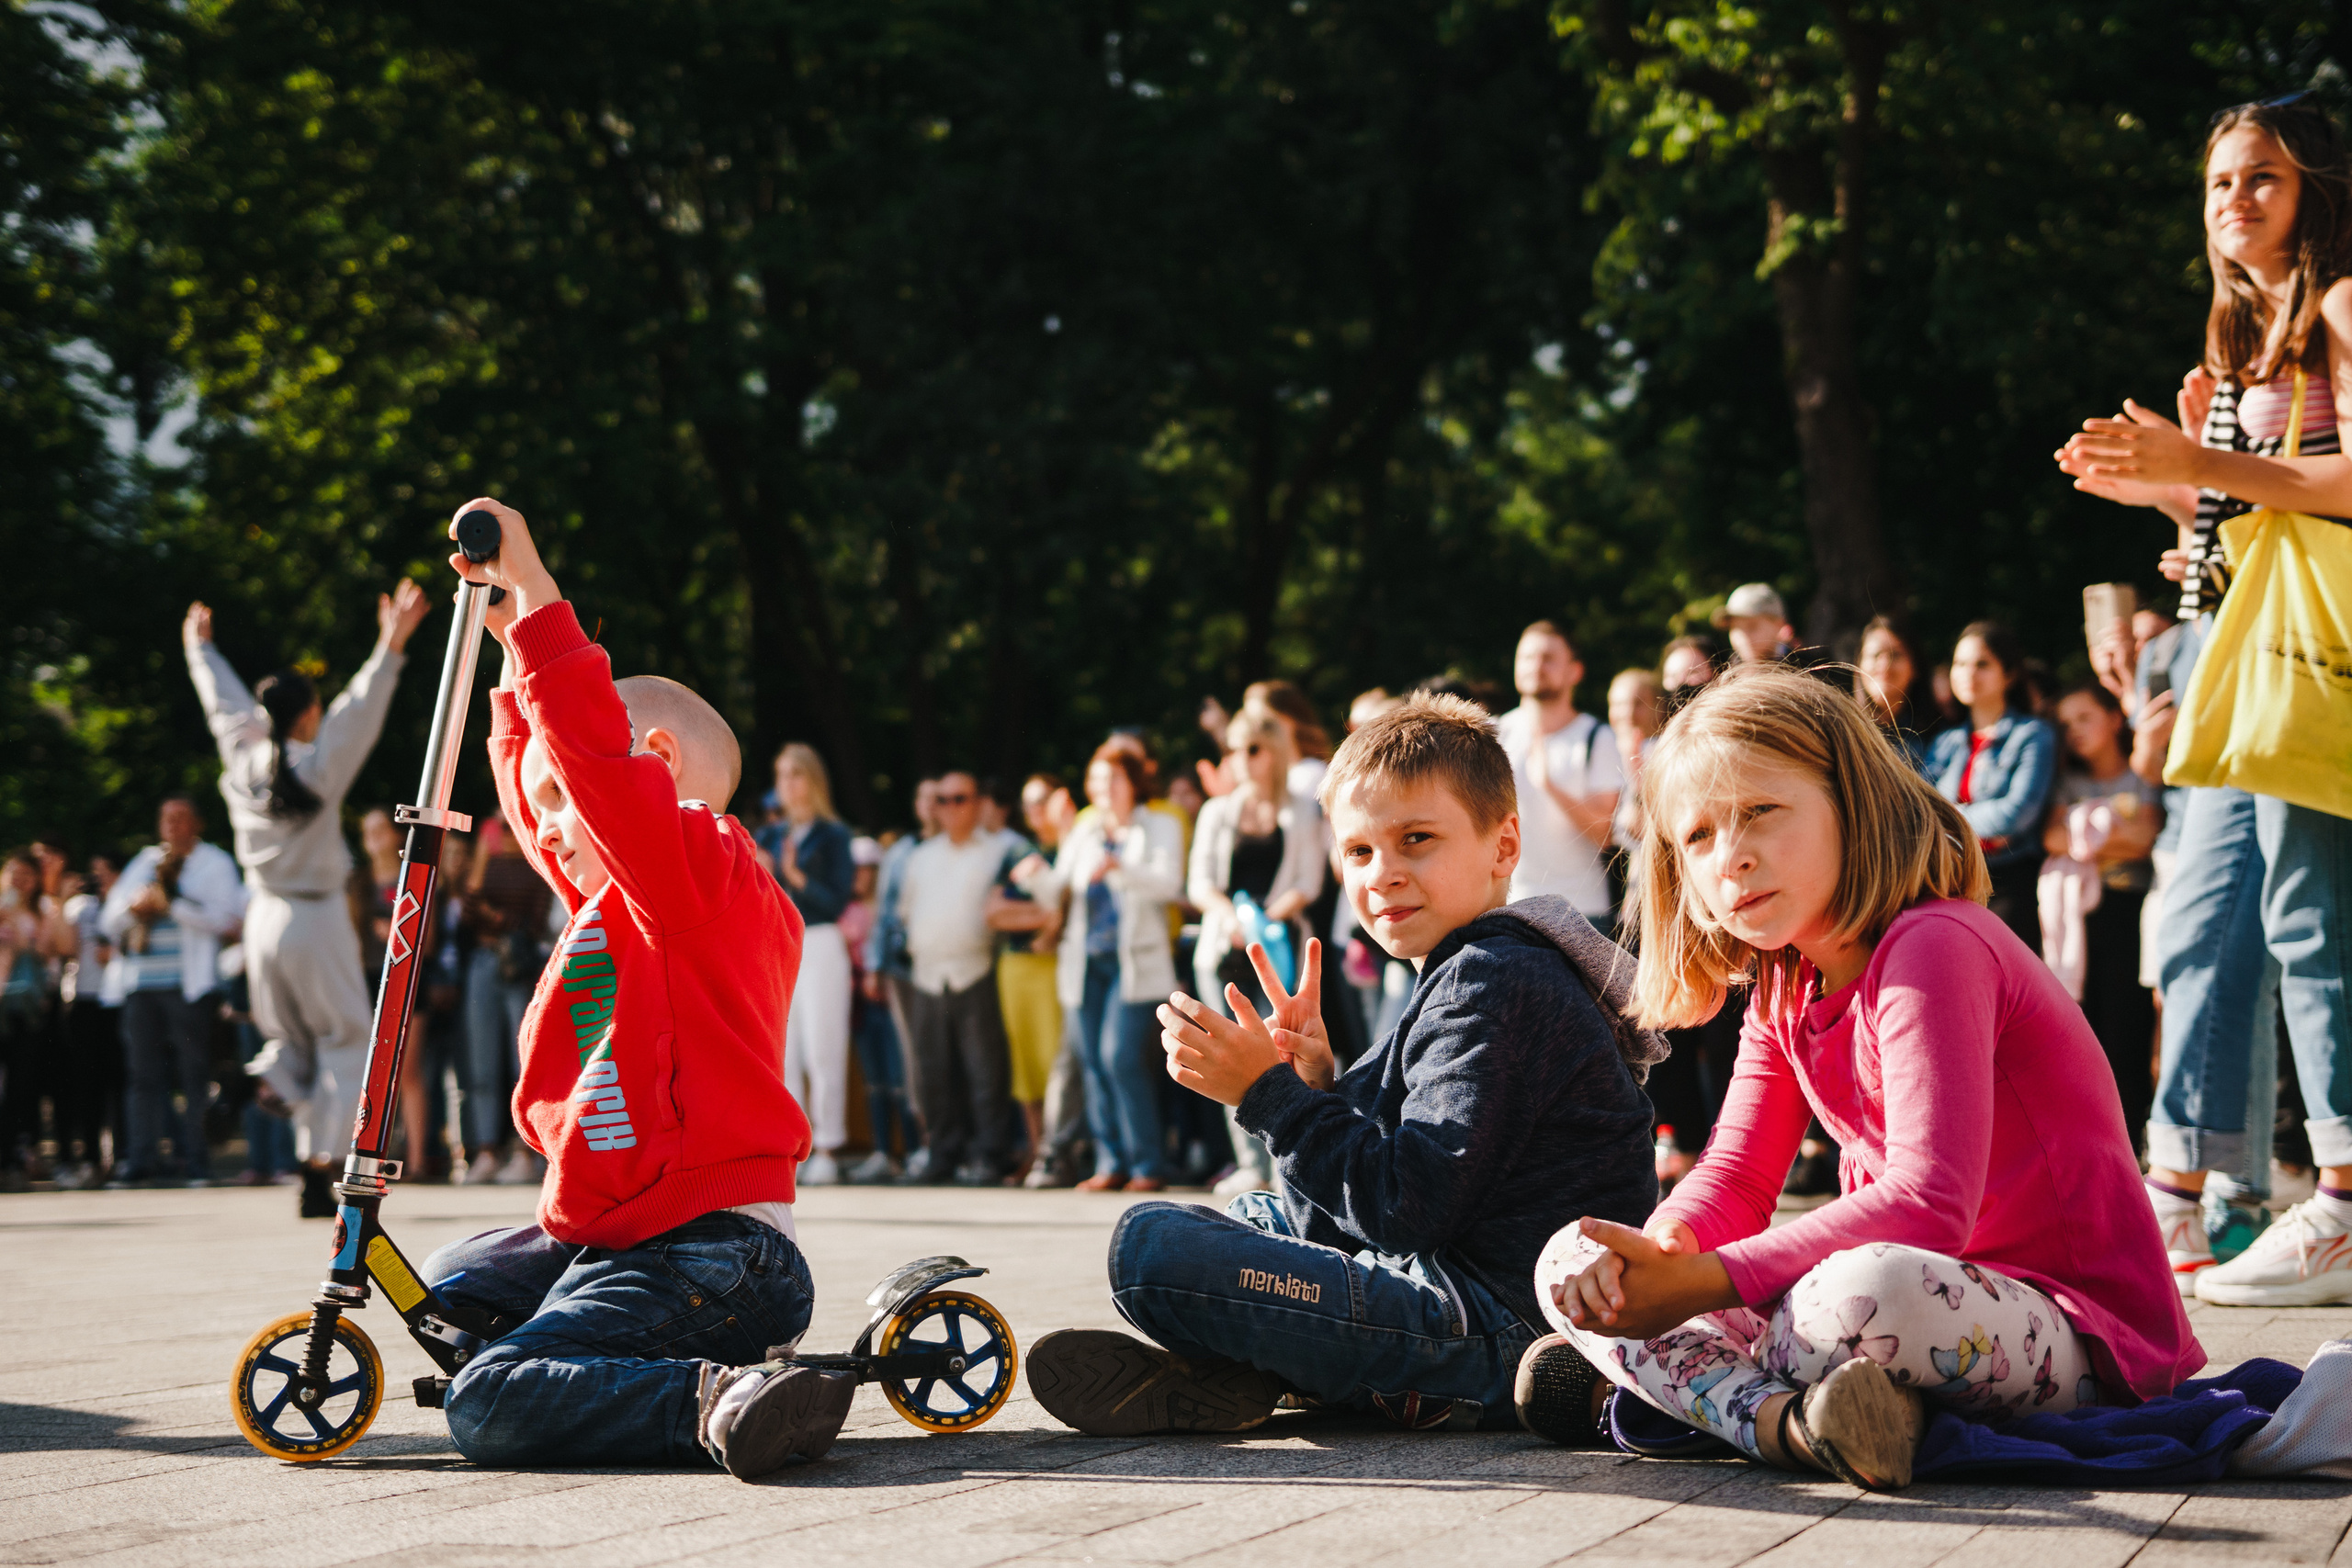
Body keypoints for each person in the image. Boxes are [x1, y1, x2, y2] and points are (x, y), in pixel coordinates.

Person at [1529, 666, 2201, 1491]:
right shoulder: (1785, 983)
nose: (1731, 855)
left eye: (1761, 812)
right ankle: (1798, 1427)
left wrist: (1697, 1289)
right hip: (1899, 1315)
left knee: (1861, 1290)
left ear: (1851, 801)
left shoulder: (1934, 944)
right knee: (1569, 1259)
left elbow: (1930, 1202)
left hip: (2075, 1329)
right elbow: (1737, 1175)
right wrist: (1661, 1253)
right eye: (1697, 836)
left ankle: (1681, 1391)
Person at [1023, 694, 1660, 1436]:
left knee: (1150, 1248)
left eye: (1416, 838)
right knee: (1253, 1216)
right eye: (1358, 851)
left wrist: (1269, 1096)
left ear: (1504, 844)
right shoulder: (1471, 966)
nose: (1382, 873)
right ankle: (1272, 1368)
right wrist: (1315, 1085)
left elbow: (1405, 1207)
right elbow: (1353, 1207)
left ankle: (1300, 1369)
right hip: (1453, 1275)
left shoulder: (1494, 978)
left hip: (1506, 1329)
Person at [418, 496, 849, 1481]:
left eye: (564, 802)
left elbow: (597, 775)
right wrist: (508, 666)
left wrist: (537, 598)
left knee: (487, 1401)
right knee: (449, 1290)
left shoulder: (697, 868)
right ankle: (654, 1358)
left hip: (712, 1251)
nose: (550, 832)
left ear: (651, 768)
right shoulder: (626, 903)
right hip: (639, 1237)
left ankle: (721, 1398)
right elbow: (550, 799)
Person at [2056, 97, 2352, 1309]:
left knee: (2308, 920)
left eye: (2263, 179)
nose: (2234, 200)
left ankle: (2332, 1196)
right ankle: (2192, 1190)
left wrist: (2204, 469)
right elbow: (2257, 523)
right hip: (2241, 658)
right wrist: (2175, 504)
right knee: (2221, 925)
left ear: (2320, 188)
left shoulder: (2339, 306)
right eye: (2220, 182)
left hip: (2307, 671)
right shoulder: (2241, 335)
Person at [184, 581, 431, 1216]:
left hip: (262, 919)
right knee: (345, 1040)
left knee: (291, 1045)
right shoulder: (319, 763)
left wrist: (199, 650)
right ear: (306, 715)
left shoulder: (244, 759)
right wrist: (391, 642)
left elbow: (223, 705)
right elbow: (363, 708)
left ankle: (263, 1092)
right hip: (315, 916)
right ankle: (323, 1166)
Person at [1015, 745, 1185, 1193]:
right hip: (1085, 962)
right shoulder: (1087, 830)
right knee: (1092, 1062)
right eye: (1095, 781)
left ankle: (1148, 1164)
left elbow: (1169, 883)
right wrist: (1036, 875)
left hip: (1135, 963)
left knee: (1121, 1057)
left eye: (1111, 779)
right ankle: (1110, 1163)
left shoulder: (1159, 825)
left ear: (1132, 783)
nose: (1102, 790)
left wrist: (1120, 868)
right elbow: (1060, 893)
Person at [1189, 712, 1326, 1198]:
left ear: (1274, 753)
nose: (1243, 761)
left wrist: (1267, 921)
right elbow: (1200, 882)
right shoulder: (1217, 811)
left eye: (1253, 750)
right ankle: (1248, 1162)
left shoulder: (1300, 811)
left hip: (1279, 950)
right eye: (1235, 751)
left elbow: (1309, 882)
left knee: (1281, 1051)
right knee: (1229, 1052)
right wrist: (1230, 918)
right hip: (1224, 951)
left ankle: (1287, 1161)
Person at [2040, 684, 2163, 1153]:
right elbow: (2051, 836)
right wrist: (2110, 832)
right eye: (2066, 723)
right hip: (2082, 919)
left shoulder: (2144, 774)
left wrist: (2084, 833)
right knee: (2086, 1030)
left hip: (2128, 912)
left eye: (2085, 718)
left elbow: (2145, 838)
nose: (2074, 732)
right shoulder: (2067, 781)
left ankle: (2131, 1143)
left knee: (2126, 1029)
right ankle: (2094, 1143)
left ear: (2116, 718)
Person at [99, 798, 246, 1186]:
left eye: (182, 818)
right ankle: (141, 1160)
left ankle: (196, 1160)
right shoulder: (144, 861)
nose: (173, 825)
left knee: (193, 1074)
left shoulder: (215, 864)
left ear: (197, 822)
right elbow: (110, 918)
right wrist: (138, 906)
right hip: (140, 985)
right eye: (166, 818)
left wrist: (172, 904)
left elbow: (226, 918)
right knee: (142, 1077)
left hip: (188, 987)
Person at [895, 770, 1015, 1186]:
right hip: (928, 974)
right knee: (933, 1071)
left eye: (959, 798)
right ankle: (942, 1153)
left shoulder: (1000, 850)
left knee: (985, 1072)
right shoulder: (921, 856)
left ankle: (988, 1154)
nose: (949, 807)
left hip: (976, 969)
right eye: (942, 799)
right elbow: (907, 911)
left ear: (978, 802)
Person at [1925, 622, 2057, 953]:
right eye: (1961, 664)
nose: (1969, 673)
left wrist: (1948, 820)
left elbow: (2016, 813)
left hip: (2008, 883)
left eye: (1982, 664)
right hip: (1950, 882)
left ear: (2009, 674)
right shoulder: (1945, 742)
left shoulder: (2033, 735)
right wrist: (1971, 826)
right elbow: (1921, 811)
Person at [757, 744, 855, 1187]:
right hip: (778, 944)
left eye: (796, 774)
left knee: (823, 1046)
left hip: (819, 939)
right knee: (784, 1051)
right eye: (782, 775)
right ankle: (792, 1149)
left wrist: (795, 876)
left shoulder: (834, 835)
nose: (788, 784)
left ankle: (829, 1145)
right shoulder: (772, 836)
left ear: (813, 780)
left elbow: (836, 900)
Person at [1495, 621, 1624, 927]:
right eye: (1526, 657)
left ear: (1575, 672)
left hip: (1582, 912)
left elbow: (1604, 835)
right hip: (1510, 907)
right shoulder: (1495, 735)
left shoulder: (1596, 737)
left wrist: (1549, 785)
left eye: (1548, 658)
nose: (1535, 666)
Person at [459, 816, 555, 1185]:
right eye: (495, 825)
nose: (501, 831)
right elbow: (468, 912)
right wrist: (481, 860)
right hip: (484, 962)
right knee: (482, 1061)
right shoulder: (487, 862)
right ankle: (485, 1150)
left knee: (523, 1063)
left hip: (520, 964)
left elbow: (531, 922)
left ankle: (524, 1152)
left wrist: (492, 915)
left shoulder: (536, 861)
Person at [986, 773, 1065, 1186]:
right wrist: (1048, 918)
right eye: (1028, 802)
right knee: (1026, 1064)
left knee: (1056, 1062)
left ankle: (1059, 1150)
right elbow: (994, 912)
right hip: (1017, 965)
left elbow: (1073, 907)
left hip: (1055, 968)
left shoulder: (1072, 845)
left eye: (1043, 800)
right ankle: (1036, 1151)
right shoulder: (1017, 850)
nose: (1035, 810)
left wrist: (1046, 919)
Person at [839, 836, 918, 1183]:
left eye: (866, 868)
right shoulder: (846, 912)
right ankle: (883, 1151)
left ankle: (912, 1150)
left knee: (902, 1078)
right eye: (853, 869)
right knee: (876, 1081)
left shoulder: (889, 909)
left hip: (892, 1002)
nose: (859, 875)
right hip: (862, 1005)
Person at [0, 852, 75, 1186]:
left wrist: (47, 900)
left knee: (20, 1087)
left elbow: (54, 948)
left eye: (26, 875)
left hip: (25, 1011)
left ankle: (12, 1157)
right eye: (12, 873)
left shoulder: (42, 911)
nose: (18, 880)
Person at [54, 853, 123, 1189]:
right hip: (84, 1001)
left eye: (104, 871)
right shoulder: (79, 907)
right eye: (93, 873)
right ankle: (92, 1158)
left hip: (119, 999)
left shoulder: (126, 903)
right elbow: (66, 947)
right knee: (87, 1084)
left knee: (120, 1081)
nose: (98, 879)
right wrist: (65, 899)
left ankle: (122, 1156)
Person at [1855, 616, 1934, 773]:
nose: (1884, 665)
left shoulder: (1937, 740)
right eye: (1875, 655)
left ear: (1915, 667)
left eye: (1896, 655)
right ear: (1859, 666)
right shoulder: (1843, 731)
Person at [1713, 583, 1796, 666]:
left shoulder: (1805, 669)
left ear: (1778, 625)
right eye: (1735, 629)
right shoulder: (1724, 675)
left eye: (1752, 627)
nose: (1743, 637)